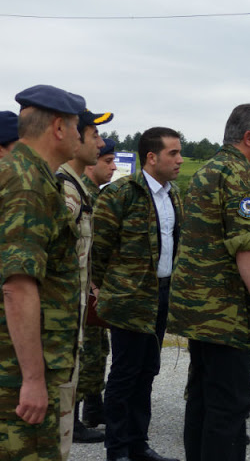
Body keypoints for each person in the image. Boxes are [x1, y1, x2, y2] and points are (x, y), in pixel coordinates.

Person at [168, 103, 250, 461]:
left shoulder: (208, 170)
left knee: (202, 396)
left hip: (200, 309)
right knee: (230, 405)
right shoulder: (239, 175)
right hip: (226, 311)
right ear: (249, 137)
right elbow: (246, 245)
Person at [0, 84, 86, 460]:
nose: (81, 135)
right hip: (19, 367)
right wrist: (34, 380)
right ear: (58, 128)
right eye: (77, 125)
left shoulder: (20, 172)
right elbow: (18, 286)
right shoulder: (29, 184)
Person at [92, 127, 183, 461]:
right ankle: (117, 450)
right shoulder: (120, 194)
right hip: (129, 300)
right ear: (151, 157)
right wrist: (111, 289)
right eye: (173, 153)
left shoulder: (173, 195)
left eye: (179, 152)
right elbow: (97, 250)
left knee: (148, 372)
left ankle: (138, 444)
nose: (179, 160)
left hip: (161, 295)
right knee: (125, 374)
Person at [57, 108, 113, 445]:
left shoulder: (77, 189)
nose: (101, 142)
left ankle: (82, 413)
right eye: (93, 134)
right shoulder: (61, 188)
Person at [78, 137, 116, 431]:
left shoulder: (97, 195)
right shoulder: (81, 194)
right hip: (82, 287)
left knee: (97, 348)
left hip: (94, 287)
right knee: (84, 350)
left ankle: (93, 406)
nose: (114, 167)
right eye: (108, 161)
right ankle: (76, 416)